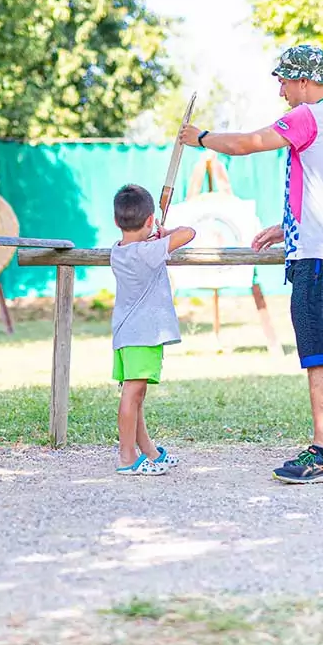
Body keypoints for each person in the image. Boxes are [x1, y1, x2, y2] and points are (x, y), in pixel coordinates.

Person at [176, 45, 323, 483]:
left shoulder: (307, 116)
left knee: (319, 357)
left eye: (283, 80)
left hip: (316, 257)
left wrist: (200, 138)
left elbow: (246, 144)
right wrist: (288, 224)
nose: (280, 89)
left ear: (302, 80)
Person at [109, 183, 197, 476]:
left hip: (127, 334)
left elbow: (141, 244)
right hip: (142, 335)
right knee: (132, 394)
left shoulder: (118, 251)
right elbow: (189, 232)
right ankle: (126, 457)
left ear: (115, 220)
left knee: (136, 394)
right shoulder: (149, 252)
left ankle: (149, 451)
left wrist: (153, 233)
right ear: (149, 220)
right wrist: (164, 231)